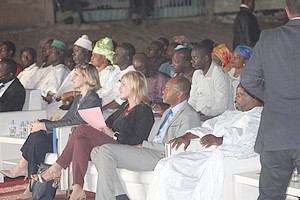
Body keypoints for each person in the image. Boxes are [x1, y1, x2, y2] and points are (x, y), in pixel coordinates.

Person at [31, 71, 154, 200]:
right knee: (80, 141)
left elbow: (139, 139)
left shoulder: (144, 110)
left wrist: (114, 135)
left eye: (124, 84)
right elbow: (108, 122)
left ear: (135, 87)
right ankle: (78, 188)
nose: (120, 87)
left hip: (127, 149)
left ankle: (56, 168)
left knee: (82, 129)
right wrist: (100, 126)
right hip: (113, 145)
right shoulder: (125, 107)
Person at [91, 76, 201, 200]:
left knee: (106, 150)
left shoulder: (189, 115)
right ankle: (120, 195)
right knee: (96, 151)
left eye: (167, 89)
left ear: (179, 94)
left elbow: (177, 148)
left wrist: (144, 145)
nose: (162, 92)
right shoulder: (168, 112)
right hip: (151, 150)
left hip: (163, 156)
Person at [0, 64, 101, 198]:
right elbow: (67, 119)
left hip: (73, 141)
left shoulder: (92, 99)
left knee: (38, 136)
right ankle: (28, 179)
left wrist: (44, 126)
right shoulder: (78, 98)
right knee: (37, 134)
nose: (72, 78)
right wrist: (43, 123)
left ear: (87, 78)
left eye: (76, 75)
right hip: (64, 135)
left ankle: (24, 171)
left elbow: (76, 122)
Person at [146, 84, 263, 200]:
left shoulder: (258, 115)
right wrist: (188, 135)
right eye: (236, 94)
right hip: (207, 153)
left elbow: (248, 135)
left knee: (173, 166)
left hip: (223, 154)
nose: (235, 98)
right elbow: (209, 126)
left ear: (254, 97)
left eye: (240, 95)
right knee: (163, 164)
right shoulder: (231, 114)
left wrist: (221, 139)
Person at [240, 1, 300, 199]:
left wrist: (273, 97)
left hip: (276, 134)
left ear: (286, 11)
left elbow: (248, 79)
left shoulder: (268, 38)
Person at [46, 35, 93, 116]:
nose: (73, 54)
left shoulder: (90, 70)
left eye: (76, 51)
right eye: (73, 51)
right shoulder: (76, 69)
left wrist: (71, 94)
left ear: (85, 51)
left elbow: (88, 93)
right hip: (59, 103)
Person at [188, 43, 233, 121]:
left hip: (218, 118)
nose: (192, 61)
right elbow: (193, 98)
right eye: (192, 58)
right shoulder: (197, 73)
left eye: (195, 58)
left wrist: (203, 112)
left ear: (206, 58)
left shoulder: (219, 75)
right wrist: (189, 112)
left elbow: (221, 105)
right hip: (200, 116)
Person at [34, 39, 70, 108]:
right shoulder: (50, 69)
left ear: (60, 53)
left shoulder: (61, 70)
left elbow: (52, 95)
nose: (48, 54)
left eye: (51, 52)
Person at [104, 42, 136, 110]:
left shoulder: (132, 74)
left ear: (126, 58)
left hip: (115, 111)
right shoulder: (116, 70)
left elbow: (120, 100)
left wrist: (102, 109)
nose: (113, 56)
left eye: (117, 54)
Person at [91, 37, 121, 108]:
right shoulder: (95, 70)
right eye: (92, 55)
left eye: (95, 56)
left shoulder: (109, 73)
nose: (92, 58)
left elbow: (104, 94)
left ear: (104, 58)